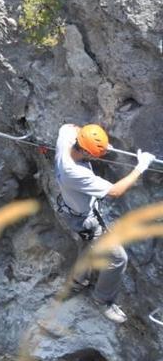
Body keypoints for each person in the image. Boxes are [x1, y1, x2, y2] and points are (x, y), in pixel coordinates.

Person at [54, 123, 156, 323]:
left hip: (74, 211)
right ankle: (102, 300)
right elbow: (115, 191)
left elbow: (70, 127)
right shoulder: (73, 172)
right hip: (86, 219)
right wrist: (140, 167)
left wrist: (98, 145)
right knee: (118, 259)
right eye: (93, 154)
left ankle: (76, 282)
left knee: (92, 247)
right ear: (84, 150)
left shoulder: (65, 137)